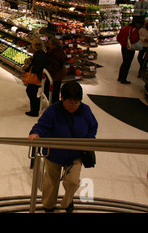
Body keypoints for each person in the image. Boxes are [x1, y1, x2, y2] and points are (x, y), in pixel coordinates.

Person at [28, 81, 98, 213]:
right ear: (62, 99)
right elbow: (42, 125)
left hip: (75, 155)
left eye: (77, 102)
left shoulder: (85, 110)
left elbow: (93, 126)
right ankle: (48, 205)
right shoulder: (53, 111)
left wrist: (89, 140)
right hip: (53, 154)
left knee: (73, 182)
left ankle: (67, 202)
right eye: (71, 102)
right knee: (51, 182)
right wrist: (35, 133)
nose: (75, 106)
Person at [24, 37, 47, 117]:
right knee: (32, 91)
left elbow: (36, 66)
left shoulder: (39, 54)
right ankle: (36, 106)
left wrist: (30, 70)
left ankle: (35, 110)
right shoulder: (41, 52)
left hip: (36, 76)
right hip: (39, 75)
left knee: (30, 91)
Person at [116, 17, 143, 84]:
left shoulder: (125, 28)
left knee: (124, 62)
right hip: (130, 48)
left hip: (123, 47)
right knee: (127, 63)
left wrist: (123, 42)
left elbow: (118, 37)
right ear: (137, 23)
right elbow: (134, 40)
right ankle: (123, 79)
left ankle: (120, 77)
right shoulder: (134, 30)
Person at [44, 38, 66, 104]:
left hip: (54, 75)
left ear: (54, 45)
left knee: (51, 91)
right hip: (58, 75)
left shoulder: (54, 54)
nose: (49, 45)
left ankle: (53, 105)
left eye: (50, 44)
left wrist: (45, 67)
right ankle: (54, 104)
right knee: (55, 91)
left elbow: (55, 66)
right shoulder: (60, 51)